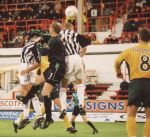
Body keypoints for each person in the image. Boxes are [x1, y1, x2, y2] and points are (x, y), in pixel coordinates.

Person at [114, 29, 150, 137]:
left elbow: (117, 61)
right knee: (149, 115)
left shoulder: (131, 50)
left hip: (136, 83)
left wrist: (119, 72)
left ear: (139, 38)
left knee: (131, 113)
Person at [13, 31, 44, 133]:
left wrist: (27, 70)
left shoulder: (33, 45)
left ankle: (38, 116)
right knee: (25, 93)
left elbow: (38, 62)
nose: (20, 38)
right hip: (24, 67)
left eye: (22, 36)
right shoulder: (29, 45)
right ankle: (27, 117)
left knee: (29, 94)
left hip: (27, 68)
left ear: (28, 37)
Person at [59, 22, 91, 119]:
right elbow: (85, 47)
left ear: (64, 27)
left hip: (66, 58)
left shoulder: (60, 34)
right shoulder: (76, 35)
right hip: (77, 58)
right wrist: (80, 56)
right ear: (72, 28)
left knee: (63, 86)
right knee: (80, 83)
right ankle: (81, 104)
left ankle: (63, 108)